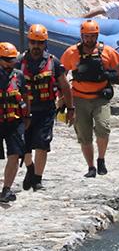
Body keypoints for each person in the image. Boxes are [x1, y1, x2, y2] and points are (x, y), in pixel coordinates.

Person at [61, 21, 119, 178]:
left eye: (92, 36)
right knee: (84, 135)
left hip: (100, 98)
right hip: (78, 98)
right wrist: (62, 97)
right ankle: (91, 166)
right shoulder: (71, 52)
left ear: (97, 36)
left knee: (103, 127)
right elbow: (61, 75)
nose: (89, 40)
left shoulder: (108, 52)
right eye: (86, 36)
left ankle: (101, 159)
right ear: (82, 36)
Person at [18, 25, 71, 192]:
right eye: (33, 42)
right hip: (24, 111)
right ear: (29, 42)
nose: (36, 46)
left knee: (42, 143)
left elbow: (65, 86)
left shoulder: (53, 62)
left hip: (46, 110)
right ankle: (30, 169)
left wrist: (70, 108)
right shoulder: (19, 62)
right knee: (23, 146)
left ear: (45, 43)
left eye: (39, 43)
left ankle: (38, 179)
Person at [0, 44, 27, 203]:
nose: (11, 63)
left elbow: (25, 95)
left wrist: (27, 116)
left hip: (14, 122)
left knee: (14, 154)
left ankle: (6, 189)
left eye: (13, 59)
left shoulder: (19, 76)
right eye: (7, 60)